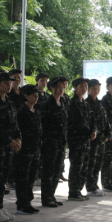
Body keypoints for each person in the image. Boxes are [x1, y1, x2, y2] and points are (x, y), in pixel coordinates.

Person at [0, 71, 21, 222]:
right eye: (6, 83)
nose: (9, 85)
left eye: (10, 83)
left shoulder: (9, 101)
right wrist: (9, 140)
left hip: (8, 147)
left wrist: (18, 138)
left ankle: (0, 205)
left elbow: (15, 122)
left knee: (3, 178)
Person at [39, 76, 69, 207]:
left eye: (64, 86)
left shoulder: (62, 103)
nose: (63, 89)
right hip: (49, 143)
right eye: (60, 87)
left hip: (61, 143)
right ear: (52, 88)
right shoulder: (46, 104)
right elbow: (43, 125)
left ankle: (52, 196)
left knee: (57, 171)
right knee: (48, 172)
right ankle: (46, 198)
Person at [66, 77, 96, 201]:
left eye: (86, 86)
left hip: (86, 140)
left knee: (84, 166)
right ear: (75, 87)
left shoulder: (85, 103)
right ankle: (73, 192)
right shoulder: (72, 103)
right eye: (82, 86)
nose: (84, 88)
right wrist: (89, 131)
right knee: (76, 167)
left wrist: (94, 130)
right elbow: (78, 122)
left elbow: (92, 119)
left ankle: (79, 190)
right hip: (76, 140)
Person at [14, 84, 42, 215]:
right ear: (26, 96)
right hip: (24, 150)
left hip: (35, 150)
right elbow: (18, 131)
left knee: (31, 177)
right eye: (33, 95)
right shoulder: (21, 112)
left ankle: (28, 202)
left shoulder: (36, 110)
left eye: (37, 95)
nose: (36, 98)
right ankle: (21, 204)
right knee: (23, 178)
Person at [85, 79, 110, 197]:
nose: (96, 90)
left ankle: (95, 185)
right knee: (91, 163)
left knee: (98, 164)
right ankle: (91, 187)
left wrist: (107, 134)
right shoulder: (86, 103)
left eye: (98, 88)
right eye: (94, 88)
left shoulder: (99, 103)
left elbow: (105, 120)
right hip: (93, 139)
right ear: (88, 89)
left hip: (101, 139)